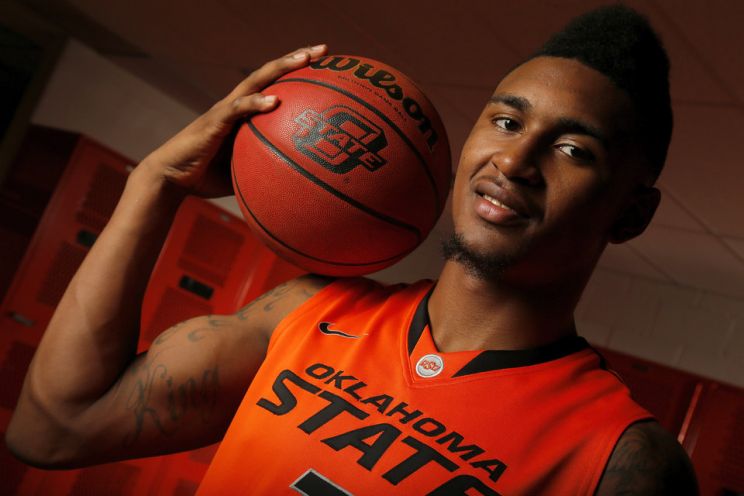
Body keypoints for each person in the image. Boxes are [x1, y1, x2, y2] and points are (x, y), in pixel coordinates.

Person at [6, 5, 698, 495]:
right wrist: (155, 184)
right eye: (506, 120)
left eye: (574, 150)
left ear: (631, 214)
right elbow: (54, 429)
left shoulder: (622, 459)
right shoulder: (306, 311)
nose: (514, 161)